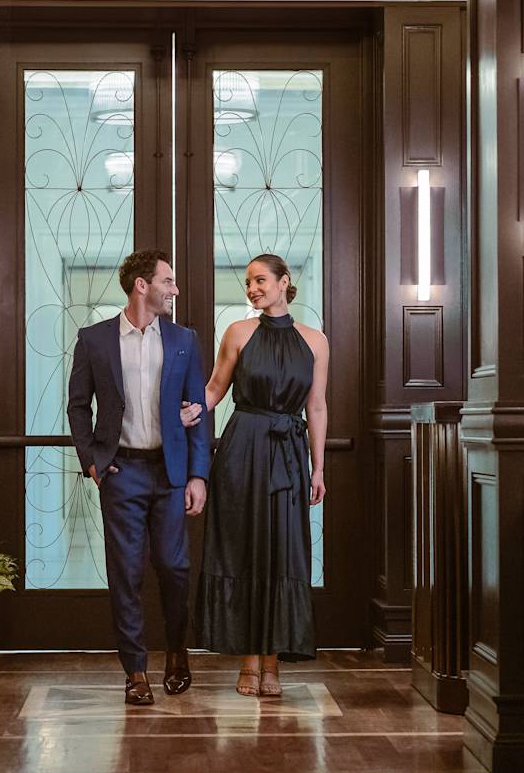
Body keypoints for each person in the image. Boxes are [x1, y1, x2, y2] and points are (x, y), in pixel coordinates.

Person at [66, 250, 212, 706]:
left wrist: (197, 474)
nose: (175, 289)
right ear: (142, 286)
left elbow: (198, 411)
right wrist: (92, 460)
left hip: (170, 474)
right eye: (168, 281)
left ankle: (176, 651)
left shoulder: (184, 339)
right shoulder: (94, 340)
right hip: (120, 471)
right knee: (125, 573)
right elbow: (78, 405)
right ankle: (135, 672)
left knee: (174, 568)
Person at [195, 255, 329, 697]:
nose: (252, 288)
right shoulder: (237, 332)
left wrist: (319, 467)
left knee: (282, 553)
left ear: (284, 283)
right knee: (244, 550)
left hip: (289, 452)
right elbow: (214, 388)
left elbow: (317, 407)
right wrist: (187, 412)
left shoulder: (316, 341)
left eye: (260, 280)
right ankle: (249, 662)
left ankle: (273, 664)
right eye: (248, 282)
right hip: (242, 449)